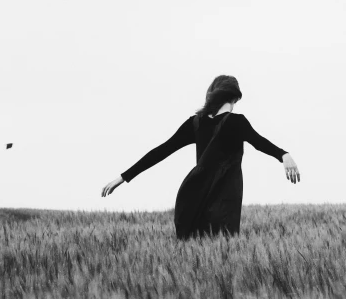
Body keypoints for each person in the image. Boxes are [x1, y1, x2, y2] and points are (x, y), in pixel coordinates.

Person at [101, 75, 300, 239]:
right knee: (224, 251)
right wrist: (284, 155)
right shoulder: (236, 122)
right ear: (235, 98)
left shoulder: (195, 123)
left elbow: (161, 151)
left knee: (195, 251)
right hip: (225, 199)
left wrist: (123, 177)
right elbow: (260, 142)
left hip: (193, 197)